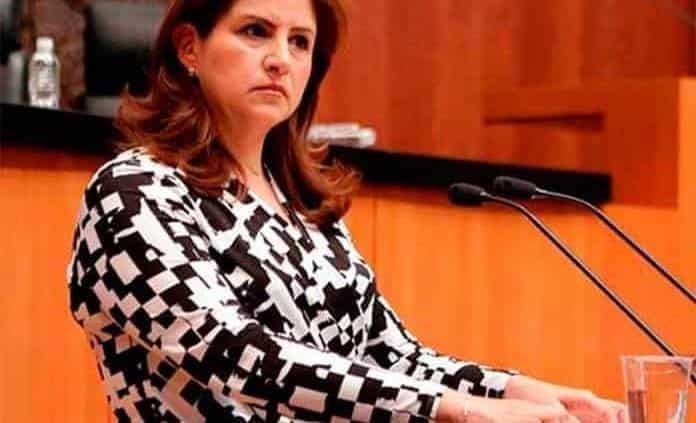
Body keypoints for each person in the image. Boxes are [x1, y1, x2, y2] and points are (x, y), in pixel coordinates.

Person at [66, 0, 628, 421]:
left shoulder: (305, 206)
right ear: (190, 47)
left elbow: (392, 358)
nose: (280, 60)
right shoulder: (134, 193)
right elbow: (236, 355)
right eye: (256, 32)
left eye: (300, 42)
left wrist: (515, 391)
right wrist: (455, 409)